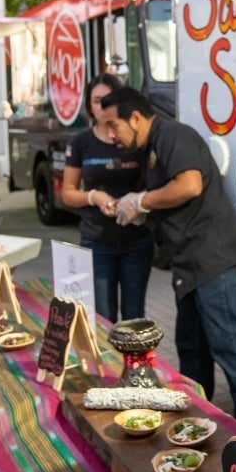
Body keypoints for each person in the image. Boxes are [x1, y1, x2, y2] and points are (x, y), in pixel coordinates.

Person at [98, 86, 236, 440]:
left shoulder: (173, 134)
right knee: (191, 348)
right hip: (189, 267)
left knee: (230, 345)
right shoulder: (150, 149)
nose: (110, 135)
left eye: (113, 125)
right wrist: (139, 210)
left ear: (136, 117)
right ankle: (198, 419)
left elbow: (189, 185)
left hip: (213, 259)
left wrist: (141, 202)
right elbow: (168, 201)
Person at [61, 74, 154, 323]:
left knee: (135, 316)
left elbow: (155, 183)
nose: (101, 107)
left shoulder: (135, 138)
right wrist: (94, 196)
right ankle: (108, 363)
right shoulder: (81, 142)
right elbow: (67, 193)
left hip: (137, 239)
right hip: (97, 241)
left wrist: (137, 202)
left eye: (106, 100)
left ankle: (135, 363)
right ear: (89, 105)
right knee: (103, 317)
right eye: (96, 100)